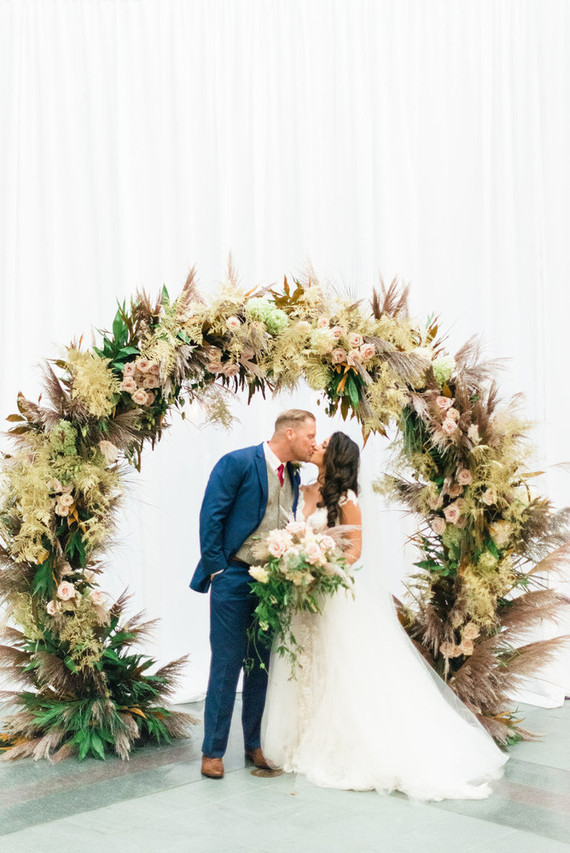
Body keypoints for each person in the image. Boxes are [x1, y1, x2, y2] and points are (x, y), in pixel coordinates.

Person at [261, 432, 509, 800]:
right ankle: (299, 739)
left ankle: (340, 741)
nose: (317, 446)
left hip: (332, 593)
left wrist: (318, 567)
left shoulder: (346, 499)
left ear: (337, 458)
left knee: (339, 666)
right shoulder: (302, 488)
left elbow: (354, 550)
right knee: (306, 662)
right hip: (301, 594)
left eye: (325, 445)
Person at [190, 409, 317, 779]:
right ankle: (212, 751)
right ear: (289, 433)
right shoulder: (237, 462)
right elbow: (211, 516)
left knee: (261, 664)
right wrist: (218, 568)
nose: (313, 443)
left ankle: (255, 744)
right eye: (310, 435)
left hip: (271, 582)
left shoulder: (293, 474)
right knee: (228, 662)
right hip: (233, 576)